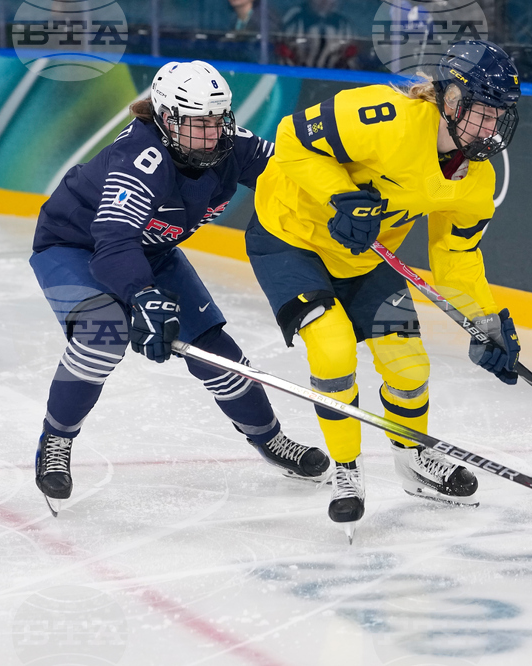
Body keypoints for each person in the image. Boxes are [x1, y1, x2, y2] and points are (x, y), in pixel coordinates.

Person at [246, 40, 523, 536]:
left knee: (409, 366)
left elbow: (457, 256)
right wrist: (340, 196)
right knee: (333, 349)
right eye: (484, 113)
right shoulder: (385, 118)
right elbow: (290, 138)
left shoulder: (475, 181)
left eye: (499, 117)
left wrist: (485, 322)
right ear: (452, 100)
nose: (491, 128)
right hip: (291, 239)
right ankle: (346, 469)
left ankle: (414, 458)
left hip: (366, 256)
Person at [30, 60, 329, 515]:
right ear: (166, 118)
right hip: (77, 246)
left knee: (217, 351)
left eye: (217, 120)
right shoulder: (140, 159)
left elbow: (292, 173)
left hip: (151, 251)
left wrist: (340, 198)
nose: (211, 134)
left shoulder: (232, 144)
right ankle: (56, 441)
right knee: (102, 335)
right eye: (197, 123)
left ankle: (270, 439)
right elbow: (113, 242)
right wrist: (143, 296)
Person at [275, 0, 358, 69]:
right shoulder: (293, 19)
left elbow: (351, 57)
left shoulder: (345, 25)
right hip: (295, 76)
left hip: (334, 78)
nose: (324, 2)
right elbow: (281, 51)